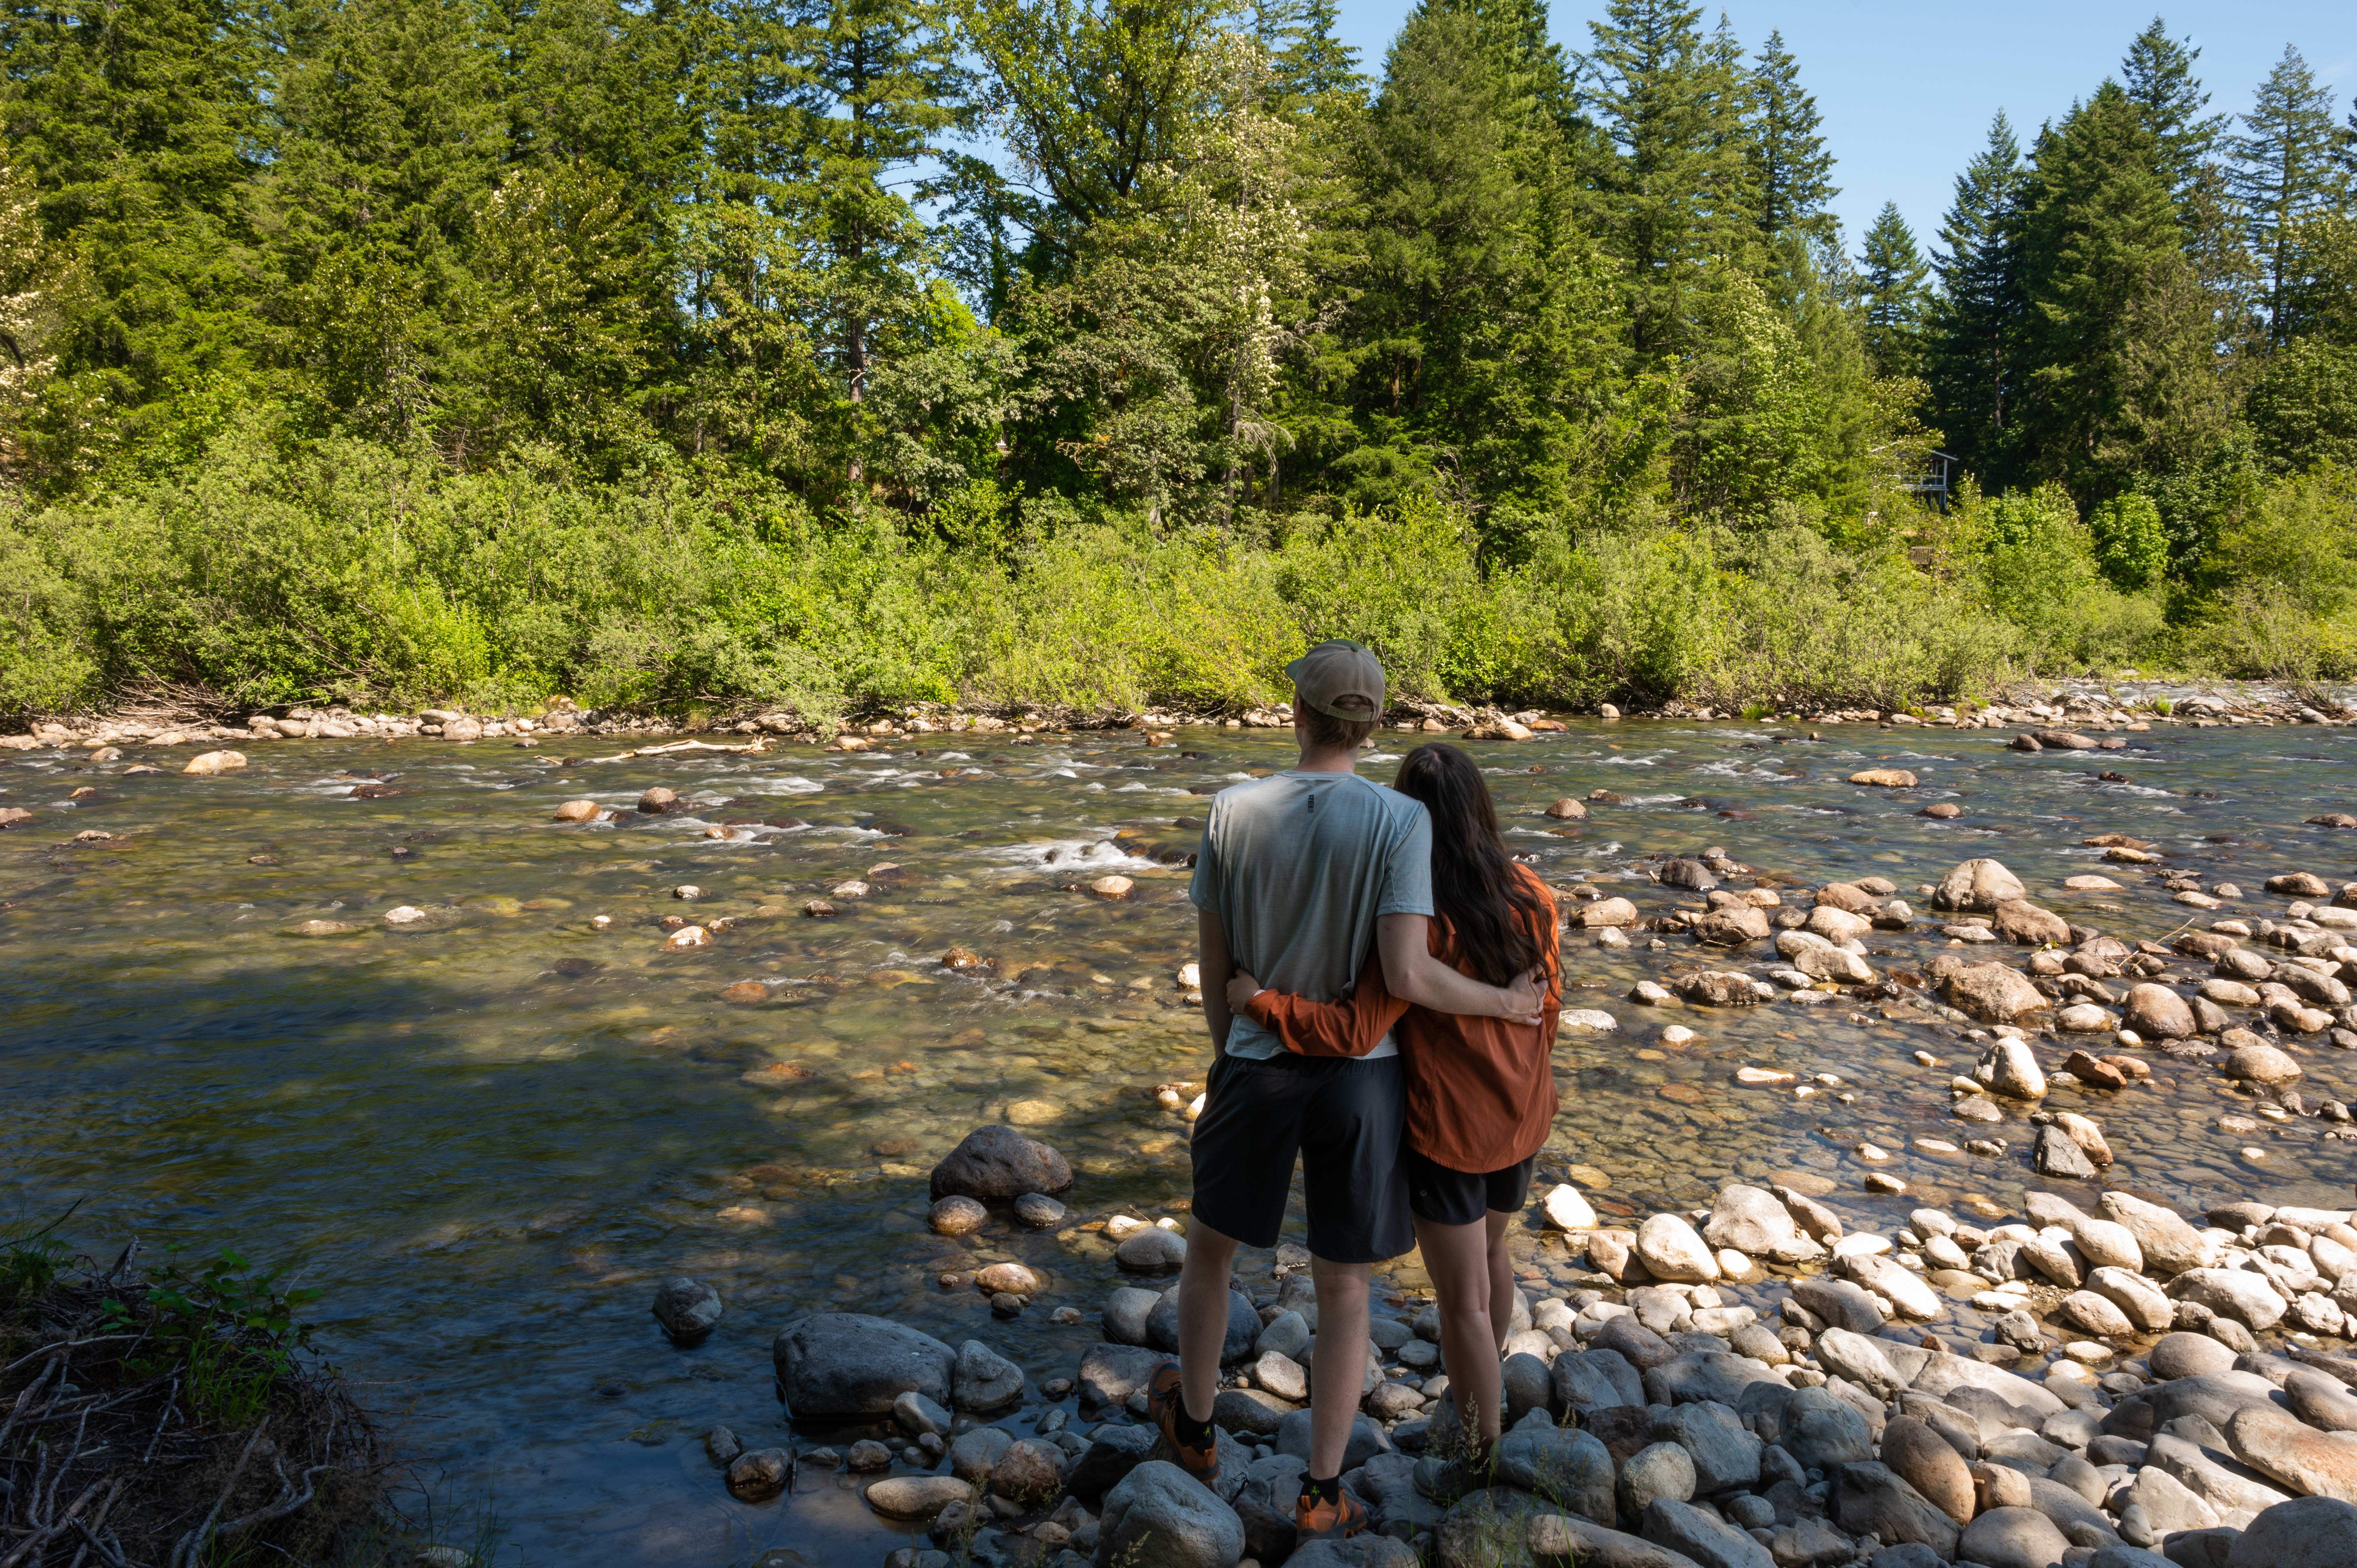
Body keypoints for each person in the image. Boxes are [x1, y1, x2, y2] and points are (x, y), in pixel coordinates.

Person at [1160, 643, 1541, 1542]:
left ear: (1294, 710)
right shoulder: (1399, 820)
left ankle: (1198, 1432)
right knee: (1342, 1290)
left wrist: (1235, 1056)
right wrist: (1508, 1005)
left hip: (1257, 1063)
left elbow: (1218, 966)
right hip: (1363, 1081)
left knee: (1210, 1254)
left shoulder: (1233, 809)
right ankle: (1323, 1489)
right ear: (1372, 725)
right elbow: (1406, 973)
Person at [1225, 741, 1562, 1473]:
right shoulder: (1532, 894)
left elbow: (1351, 1031)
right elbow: (1547, 1011)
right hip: (1522, 1117)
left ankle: (1481, 1458)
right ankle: (1478, 1399)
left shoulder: (1416, 921)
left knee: (1463, 1305)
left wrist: (1257, 1001)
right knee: (1493, 1259)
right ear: (1483, 811)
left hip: (1449, 1132)